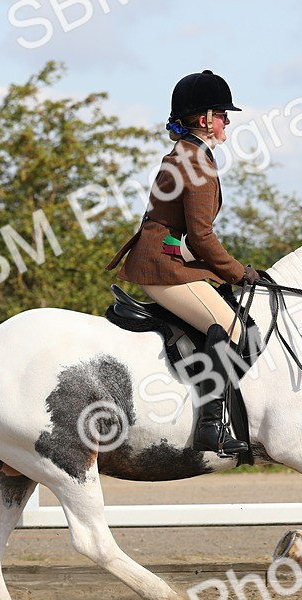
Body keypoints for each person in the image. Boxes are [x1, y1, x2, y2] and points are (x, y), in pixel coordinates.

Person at [106, 69, 261, 457]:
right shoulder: (197, 162)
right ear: (205, 119)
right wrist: (240, 273)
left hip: (164, 259)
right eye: (223, 114)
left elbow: (189, 239)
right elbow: (203, 238)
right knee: (231, 328)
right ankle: (210, 428)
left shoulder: (188, 154)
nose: (227, 120)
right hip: (161, 267)